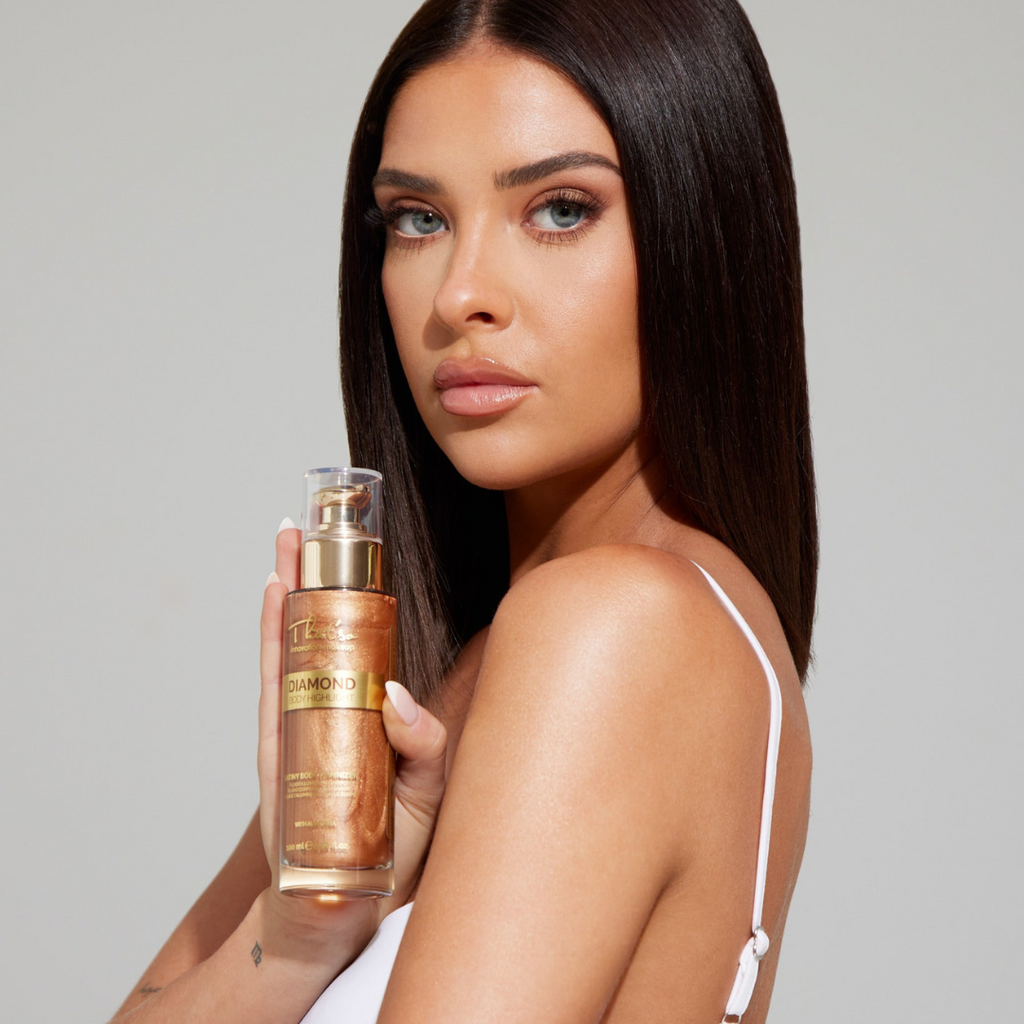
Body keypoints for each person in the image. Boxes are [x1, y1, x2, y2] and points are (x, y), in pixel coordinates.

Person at [111, 0, 816, 1021]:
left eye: (560, 209)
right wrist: (304, 931)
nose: (459, 295)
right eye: (418, 218)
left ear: (705, 232)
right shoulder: (468, 664)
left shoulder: (614, 625)